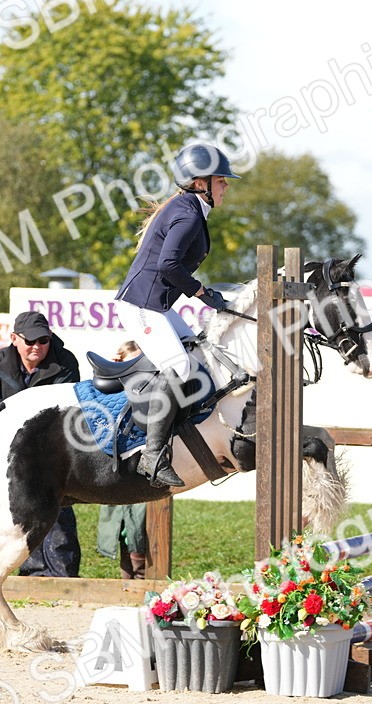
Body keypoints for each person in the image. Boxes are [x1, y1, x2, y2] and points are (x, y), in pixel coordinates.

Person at [113, 143, 239, 488]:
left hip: (157, 306)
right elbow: (168, 265)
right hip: (141, 306)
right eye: (221, 180)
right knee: (180, 366)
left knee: (195, 349)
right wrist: (200, 292)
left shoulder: (189, 207)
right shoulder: (187, 212)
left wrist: (205, 295)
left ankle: (182, 427)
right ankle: (152, 455)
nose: (226, 185)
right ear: (201, 183)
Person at [0, 310, 83, 577]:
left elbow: (66, 407)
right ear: (15, 338)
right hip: (11, 452)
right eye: (31, 341)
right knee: (22, 511)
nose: (37, 346)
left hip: (53, 449)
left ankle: (63, 575)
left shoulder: (66, 360)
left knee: (59, 509)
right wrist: (18, 421)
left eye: (44, 340)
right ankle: (31, 573)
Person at [96, 341, 150, 579]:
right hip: (119, 468)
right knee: (121, 530)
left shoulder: (152, 391)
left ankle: (140, 578)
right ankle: (127, 582)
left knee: (140, 527)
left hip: (143, 469)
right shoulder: (113, 392)